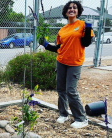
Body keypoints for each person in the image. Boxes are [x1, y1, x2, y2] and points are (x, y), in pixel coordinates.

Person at [39, 1, 94, 129]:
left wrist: (89, 28)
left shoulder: (82, 25)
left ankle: (81, 118)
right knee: (61, 90)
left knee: (71, 91)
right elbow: (59, 48)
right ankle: (63, 114)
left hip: (74, 63)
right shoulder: (62, 30)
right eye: (69, 8)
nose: (72, 9)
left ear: (78, 11)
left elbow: (86, 43)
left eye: (74, 8)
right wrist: (46, 45)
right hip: (61, 62)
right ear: (65, 12)